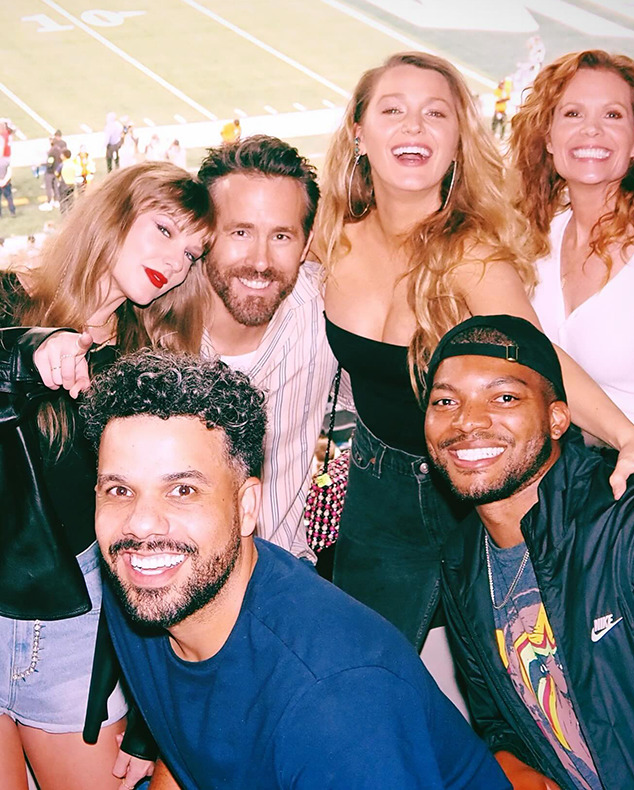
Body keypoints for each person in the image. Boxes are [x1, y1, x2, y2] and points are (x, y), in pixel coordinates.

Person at [314, 50, 634, 658]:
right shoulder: (326, 234)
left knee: (530, 674)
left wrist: (631, 439)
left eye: (435, 113)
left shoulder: (472, 252)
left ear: (458, 142)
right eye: (393, 110)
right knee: (359, 664)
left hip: (487, 480)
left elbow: (540, 358)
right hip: (377, 487)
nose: (414, 126)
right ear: (358, 132)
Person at [82, 347, 509, 790]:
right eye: (119, 490)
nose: (141, 524)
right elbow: (188, 742)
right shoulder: (146, 584)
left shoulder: (336, 704)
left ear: (246, 508)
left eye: (183, 490)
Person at [0, 161, 213, 790]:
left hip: (75, 627)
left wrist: (151, 711)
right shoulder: (8, 299)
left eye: (192, 253)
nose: (176, 262)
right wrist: (28, 349)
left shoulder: (146, 362)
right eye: (165, 230)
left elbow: (162, 537)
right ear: (115, 213)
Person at [425, 314, 634, 790]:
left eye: (504, 397)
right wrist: (513, 766)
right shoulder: (462, 561)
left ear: (556, 419)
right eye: (445, 401)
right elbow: (496, 719)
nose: (467, 420)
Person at [511, 50, 634, 470]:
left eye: (612, 115)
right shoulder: (534, 238)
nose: (591, 129)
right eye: (572, 113)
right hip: (557, 473)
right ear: (548, 138)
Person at [196, 136, 337, 561]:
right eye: (240, 232)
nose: (260, 261)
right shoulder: (147, 327)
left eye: (281, 236)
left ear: (306, 244)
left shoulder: (329, 312)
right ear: (204, 234)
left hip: (282, 572)